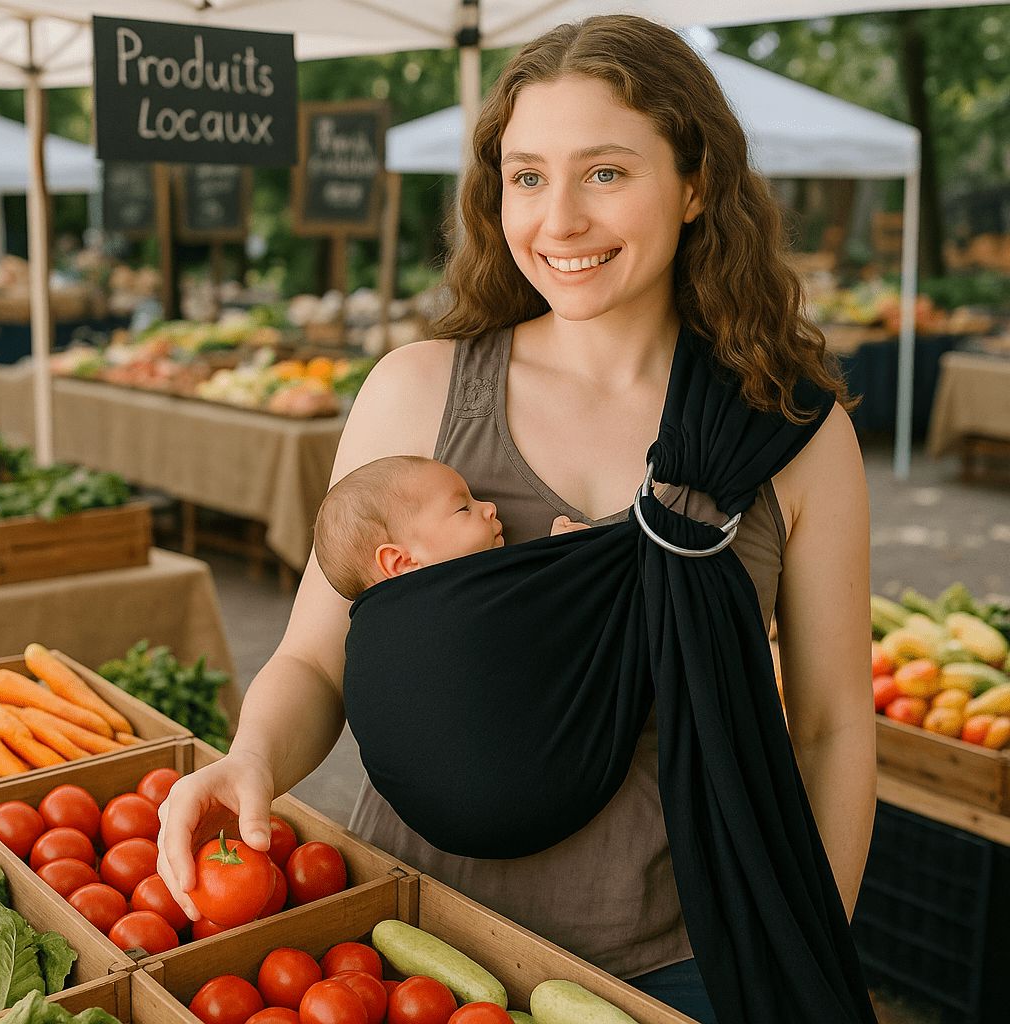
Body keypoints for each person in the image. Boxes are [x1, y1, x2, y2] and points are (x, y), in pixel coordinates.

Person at [158, 15, 874, 1024]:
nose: (560, 220)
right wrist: (251, 759)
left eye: (606, 173)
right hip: (405, 948)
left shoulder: (790, 431)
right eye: (528, 177)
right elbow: (316, 661)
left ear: (696, 183)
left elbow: (833, 727)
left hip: (678, 963)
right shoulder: (417, 392)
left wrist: (805, 949)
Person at [313, 455, 588, 600]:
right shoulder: (443, 612)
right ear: (401, 561)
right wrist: (562, 558)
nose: (490, 507)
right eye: (464, 508)